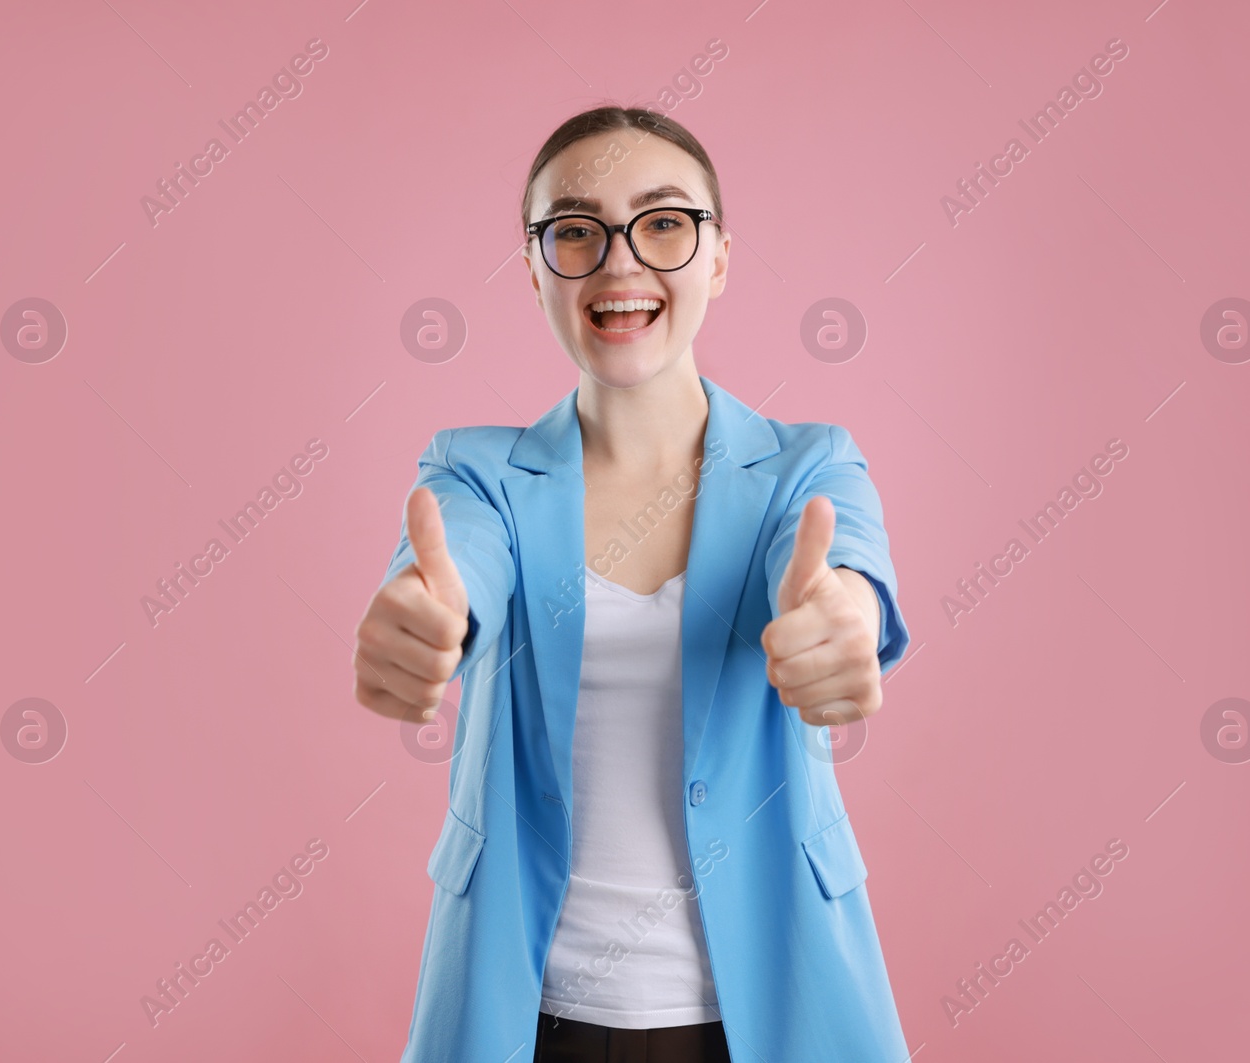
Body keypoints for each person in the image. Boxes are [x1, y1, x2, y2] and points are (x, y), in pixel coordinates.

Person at [355, 105, 915, 1063]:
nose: (621, 263)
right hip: (529, 1016)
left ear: (721, 258)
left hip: (767, 1008)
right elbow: (458, 564)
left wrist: (841, 622)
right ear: (534, 270)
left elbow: (837, 571)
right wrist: (430, 615)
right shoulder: (477, 471)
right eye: (575, 231)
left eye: (663, 223)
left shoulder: (807, 467)